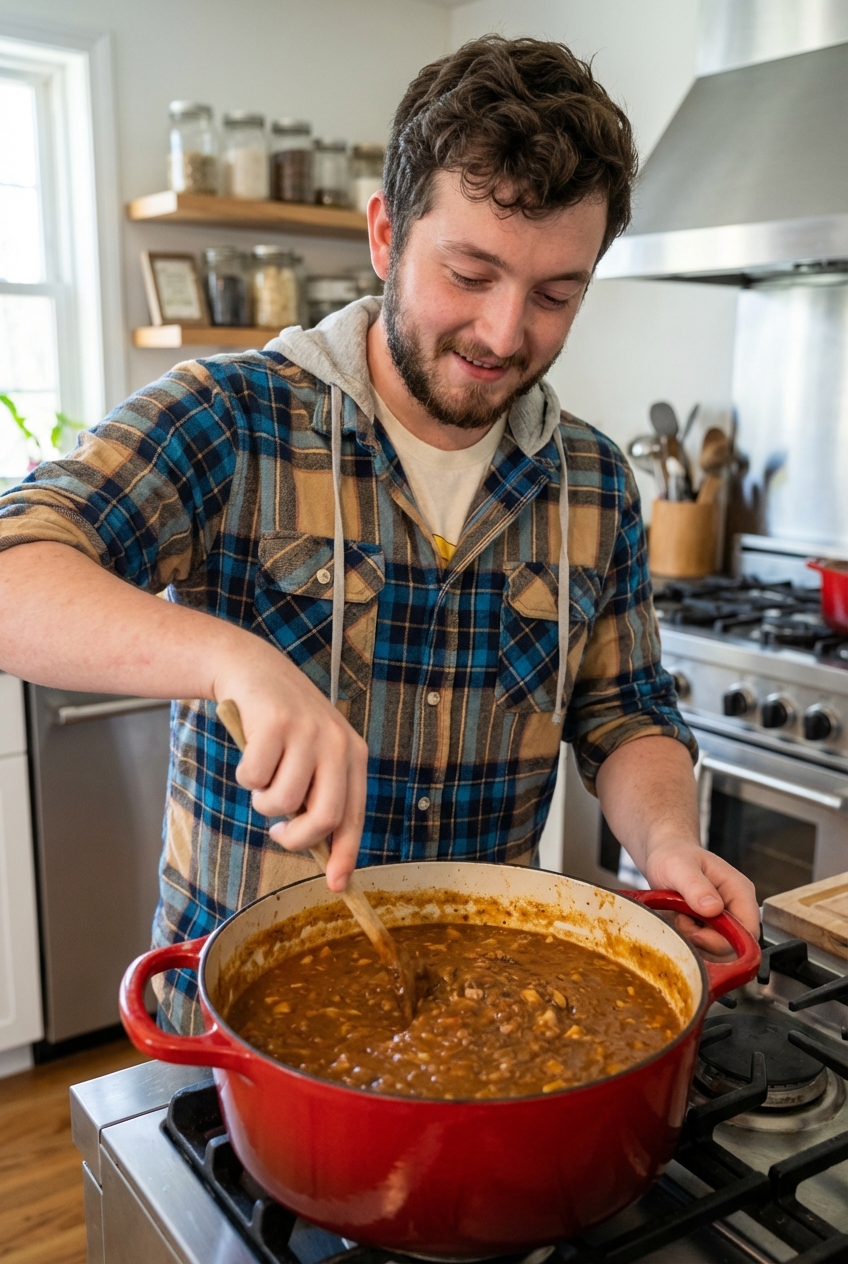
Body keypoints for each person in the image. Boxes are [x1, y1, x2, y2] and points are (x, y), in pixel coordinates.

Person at [0, 36, 758, 1034]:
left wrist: (665, 843)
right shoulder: (233, 418)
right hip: (236, 1033)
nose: (501, 332)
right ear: (384, 235)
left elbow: (626, 712)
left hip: (485, 1020)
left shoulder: (591, 479)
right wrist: (235, 661)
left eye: (553, 295)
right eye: (469, 272)